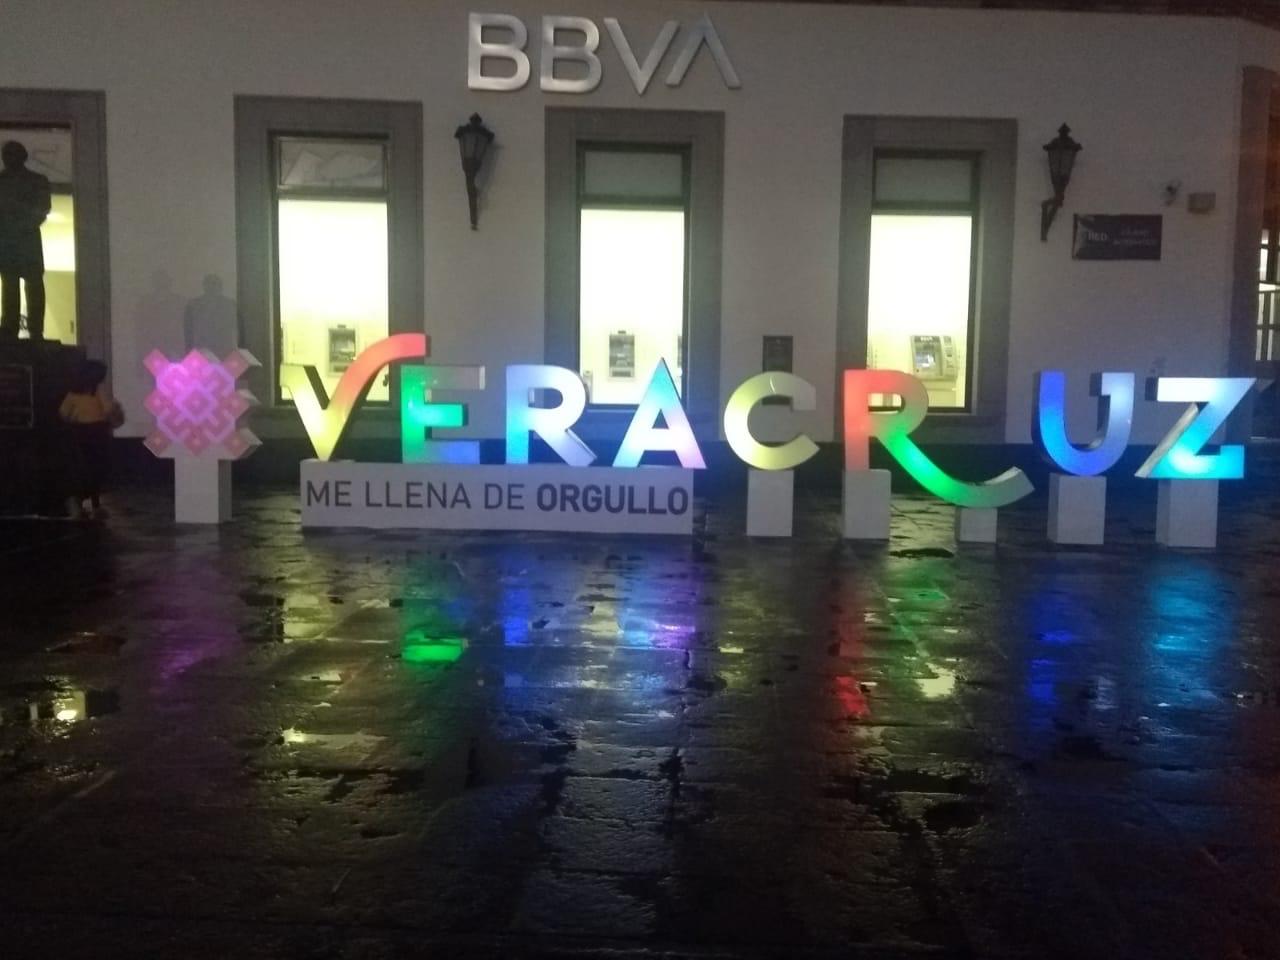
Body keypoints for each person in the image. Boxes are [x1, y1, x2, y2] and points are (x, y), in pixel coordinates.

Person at [0, 140, 52, 340]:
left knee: (33, 284)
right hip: (10, 241)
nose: (7, 159)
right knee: (10, 284)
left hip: (25, 239)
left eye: (11, 154)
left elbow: (42, 208)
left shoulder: (38, 181)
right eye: (6, 155)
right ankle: (10, 328)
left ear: (22, 157)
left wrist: (21, 225)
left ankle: (35, 330)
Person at [58, 359, 123, 519]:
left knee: (82, 468)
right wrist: (116, 412)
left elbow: (63, 413)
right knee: (97, 468)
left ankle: (76, 503)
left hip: (79, 433)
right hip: (98, 432)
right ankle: (95, 505)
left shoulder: (73, 393)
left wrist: (74, 420)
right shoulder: (99, 390)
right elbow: (108, 410)